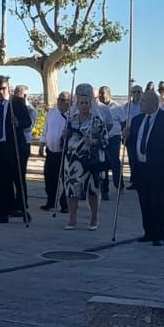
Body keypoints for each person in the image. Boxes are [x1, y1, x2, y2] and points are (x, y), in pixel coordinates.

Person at [125, 89, 164, 246]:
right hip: (141, 167)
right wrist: (126, 136)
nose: (140, 104)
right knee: (145, 201)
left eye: (143, 101)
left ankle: (159, 234)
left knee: (158, 201)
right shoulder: (137, 120)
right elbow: (132, 143)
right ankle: (148, 231)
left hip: (159, 167)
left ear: (154, 103)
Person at [59, 85, 109, 231]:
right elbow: (64, 141)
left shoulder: (97, 120)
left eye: (86, 103)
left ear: (91, 103)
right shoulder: (71, 119)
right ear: (77, 103)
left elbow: (105, 140)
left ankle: (94, 218)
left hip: (91, 159)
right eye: (81, 103)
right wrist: (65, 135)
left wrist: (93, 141)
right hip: (73, 159)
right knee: (71, 190)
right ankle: (72, 219)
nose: (84, 105)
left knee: (93, 190)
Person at [0, 75, 31, 224]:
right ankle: (4, 212)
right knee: (1, 182)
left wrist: (18, 123)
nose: (1, 91)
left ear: (8, 87)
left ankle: (23, 209)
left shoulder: (16, 102)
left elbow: (27, 121)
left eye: (3, 88)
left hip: (14, 147)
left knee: (18, 179)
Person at [40, 92, 70, 212]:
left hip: (64, 152)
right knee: (49, 177)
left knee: (65, 179)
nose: (60, 102)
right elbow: (46, 128)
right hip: (51, 151)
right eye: (59, 99)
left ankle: (65, 203)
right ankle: (50, 201)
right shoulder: (52, 112)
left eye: (63, 100)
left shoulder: (72, 116)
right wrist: (42, 143)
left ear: (69, 102)